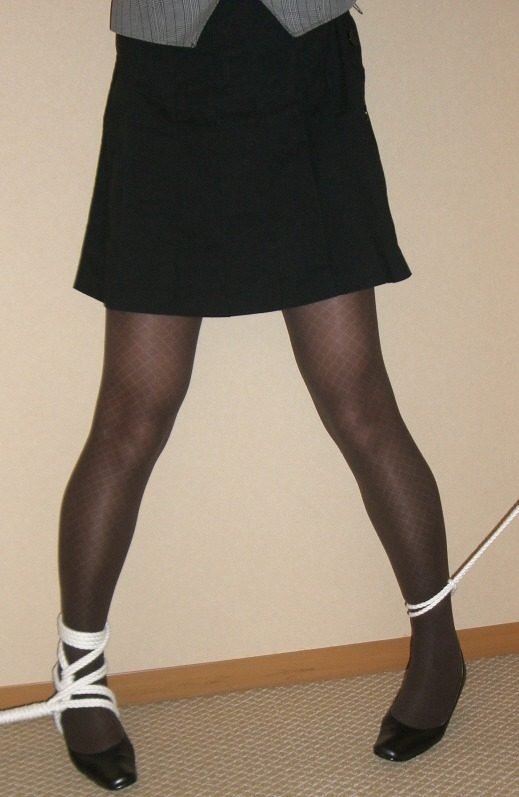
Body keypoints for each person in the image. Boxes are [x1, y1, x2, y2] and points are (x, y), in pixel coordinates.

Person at [47, 0, 466, 789]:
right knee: (132, 415)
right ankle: (79, 673)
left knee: (357, 401)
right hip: (164, 74)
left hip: (302, 62)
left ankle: (439, 649)